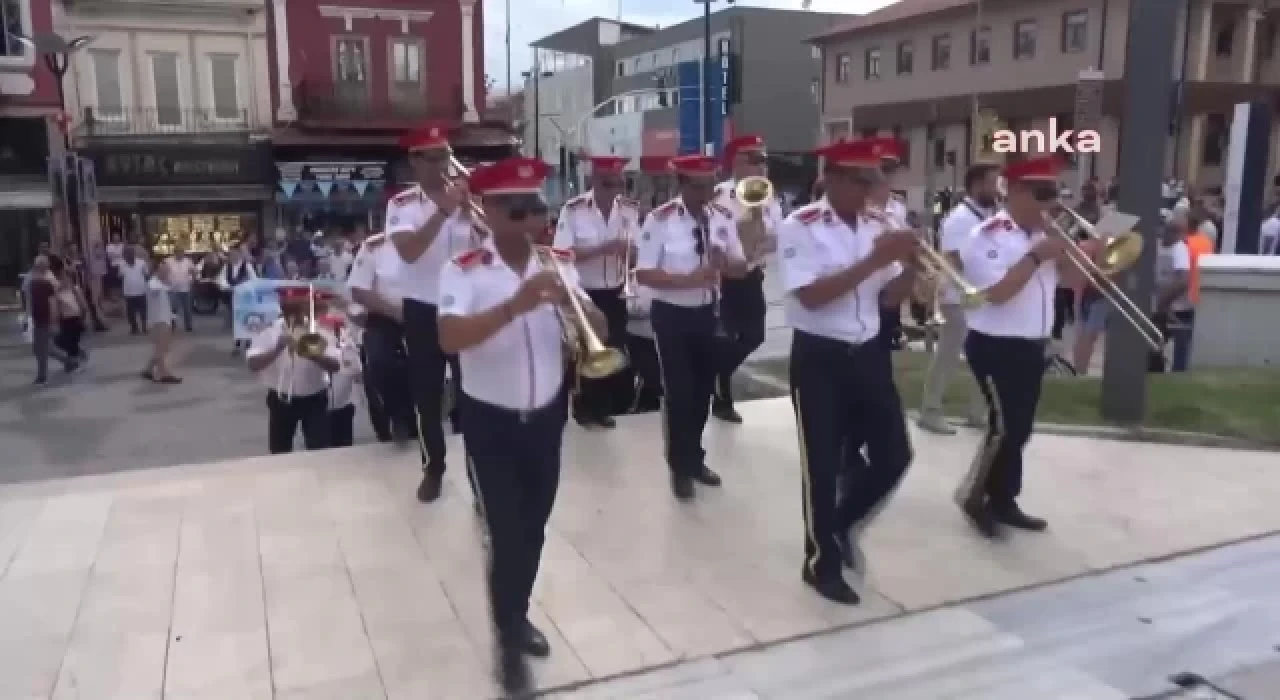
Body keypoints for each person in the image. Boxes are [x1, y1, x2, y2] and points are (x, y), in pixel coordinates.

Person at [435, 157, 608, 695]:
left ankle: (517, 611)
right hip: (490, 419)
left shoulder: (555, 262)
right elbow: (449, 338)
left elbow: (598, 328)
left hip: (547, 417)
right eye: (519, 208)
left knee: (532, 529)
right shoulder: (461, 269)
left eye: (536, 207)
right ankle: (508, 638)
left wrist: (576, 303)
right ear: (489, 211)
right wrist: (515, 305)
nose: (532, 219)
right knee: (506, 533)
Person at [778, 139, 919, 604]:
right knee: (820, 463)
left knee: (895, 454)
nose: (872, 192)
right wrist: (876, 260)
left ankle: (838, 524)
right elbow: (812, 296)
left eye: (875, 182)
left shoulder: (878, 224)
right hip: (820, 357)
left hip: (870, 352)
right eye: (863, 182)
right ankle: (820, 563)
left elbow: (887, 299)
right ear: (834, 179)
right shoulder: (801, 226)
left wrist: (911, 268)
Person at [954, 156, 1070, 538]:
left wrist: (1096, 255)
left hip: (1031, 346)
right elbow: (999, 293)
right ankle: (975, 496)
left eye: (1054, 194)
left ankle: (1004, 499)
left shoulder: (1044, 237)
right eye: (1043, 194)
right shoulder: (987, 235)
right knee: (1005, 426)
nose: (1050, 204)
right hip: (994, 345)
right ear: (1016, 191)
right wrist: (1037, 257)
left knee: (1020, 430)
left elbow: (1074, 280)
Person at [634, 154, 749, 501]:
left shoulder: (723, 218)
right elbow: (645, 273)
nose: (705, 193)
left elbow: (741, 267)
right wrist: (689, 279)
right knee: (680, 393)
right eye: (697, 186)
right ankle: (679, 466)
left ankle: (695, 459)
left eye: (709, 185)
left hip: (708, 315)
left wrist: (727, 264)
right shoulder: (660, 220)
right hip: (671, 315)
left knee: (702, 394)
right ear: (681, 184)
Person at [385, 122, 480, 504]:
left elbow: (492, 244)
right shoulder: (402, 205)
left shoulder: (468, 198)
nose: (445, 164)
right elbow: (409, 251)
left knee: (471, 393)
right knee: (426, 395)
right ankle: (433, 467)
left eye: (447, 155)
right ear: (415, 161)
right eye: (436, 157)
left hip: (465, 308)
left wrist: (475, 208)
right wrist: (442, 212)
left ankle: (477, 472)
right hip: (422, 308)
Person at [553, 155, 641, 427]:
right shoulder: (574, 209)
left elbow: (638, 254)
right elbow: (562, 253)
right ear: (594, 181)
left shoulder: (629, 210)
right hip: (585, 291)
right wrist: (602, 249)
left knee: (613, 347)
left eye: (617, 184)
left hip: (615, 289)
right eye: (606, 184)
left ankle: (602, 407)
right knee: (587, 351)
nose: (612, 190)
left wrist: (630, 252)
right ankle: (584, 407)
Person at [918, 163, 1002, 434]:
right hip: (958, 298)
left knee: (984, 358)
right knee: (948, 356)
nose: (997, 189)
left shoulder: (990, 214)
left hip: (982, 299)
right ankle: (930, 410)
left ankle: (978, 413)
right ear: (976, 185)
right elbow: (953, 261)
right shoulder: (960, 219)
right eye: (991, 183)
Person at [711, 134, 782, 424]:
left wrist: (761, 235)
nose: (759, 166)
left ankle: (715, 372)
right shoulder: (722, 194)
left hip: (752, 274)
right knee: (727, 334)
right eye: (753, 160)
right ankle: (722, 398)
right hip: (726, 277)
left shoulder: (768, 195)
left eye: (762, 160)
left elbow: (776, 234)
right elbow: (716, 234)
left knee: (755, 336)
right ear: (736, 163)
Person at [247, 287, 341, 453]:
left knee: (319, 450)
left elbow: (335, 366)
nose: (297, 315)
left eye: (301, 309)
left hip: (314, 399)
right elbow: (253, 364)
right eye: (290, 309)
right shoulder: (270, 330)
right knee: (279, 450)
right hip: (280, 399)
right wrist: (278, 348)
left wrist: (312, 353)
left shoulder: (320, 331)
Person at [348, 230, 412, 445]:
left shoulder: (436, 240)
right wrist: (395, 313)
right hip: (384, 315)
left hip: (429, 314)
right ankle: (398, 415)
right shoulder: (375, 247)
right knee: (379, 362)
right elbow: (358, 289)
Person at [28, 255, 78, 383]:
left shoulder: (45, 283)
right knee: (45, 347)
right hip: (38, 318)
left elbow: (52, 302)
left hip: (44, 319)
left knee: (40, 348)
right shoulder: (34, 281)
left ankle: (42, 375)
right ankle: (69, 362)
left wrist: (53, 319)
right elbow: (31, 301)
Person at [319, 311, 360, 448]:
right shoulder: (319, 344)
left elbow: (357, 371)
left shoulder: (348, 345)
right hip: (321, 405)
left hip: (345, 404)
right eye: (330, 326)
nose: (335, 330)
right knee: (324, 444)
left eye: (337, 327)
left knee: (345, 444)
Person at [142, 257, 182, 384]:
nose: (167, 274)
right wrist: (167, 284)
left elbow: (167, 299)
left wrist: (172, 316)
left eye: (168, 271)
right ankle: (164, 374)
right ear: (158, 271)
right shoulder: (153, 283)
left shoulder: (161, 283)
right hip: (158, 321)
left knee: (162, 348)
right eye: (164, 271)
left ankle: (148, 370)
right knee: (161, 349)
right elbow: (156, 290)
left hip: (165, 318)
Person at [220, 245, 258, 355]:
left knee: (248, 319)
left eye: (235, 254)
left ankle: (248, 342)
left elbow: (254, 279)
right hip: (234, 297)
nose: (233, 257)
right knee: (236, 322)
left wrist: (246, 287)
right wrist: (228, 287)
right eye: (231, 255)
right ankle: (237, 344)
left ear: (240, 255)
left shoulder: (247, 266)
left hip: (246, 298)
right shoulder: (227, 267)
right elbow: (221, 279)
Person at [117, 245, 150, 334]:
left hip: (141, 290)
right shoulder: (121, 264)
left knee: (143, 310)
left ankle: (144, 327)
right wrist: (121, 291)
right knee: (130, 312)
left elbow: (146, 275)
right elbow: (120, 277)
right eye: (126, 254)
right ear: (124, 255)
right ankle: (134, 328)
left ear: (134, 254)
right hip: (128, 292)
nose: (129, 255)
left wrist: (148, 287)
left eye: (130, 253)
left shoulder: (141, 262)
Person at [168, 246, 196, 332]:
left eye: (181, 252)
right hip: (173, 289)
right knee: (173, 308)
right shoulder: (168, 261)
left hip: (186, 288)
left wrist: (193, 281)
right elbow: (163, 271)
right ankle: (172, 324)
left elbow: (193, 272)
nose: (179, 254)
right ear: (174, 253)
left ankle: (188, 325)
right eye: (177, 252)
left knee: (187, 308)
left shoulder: (188, 261)